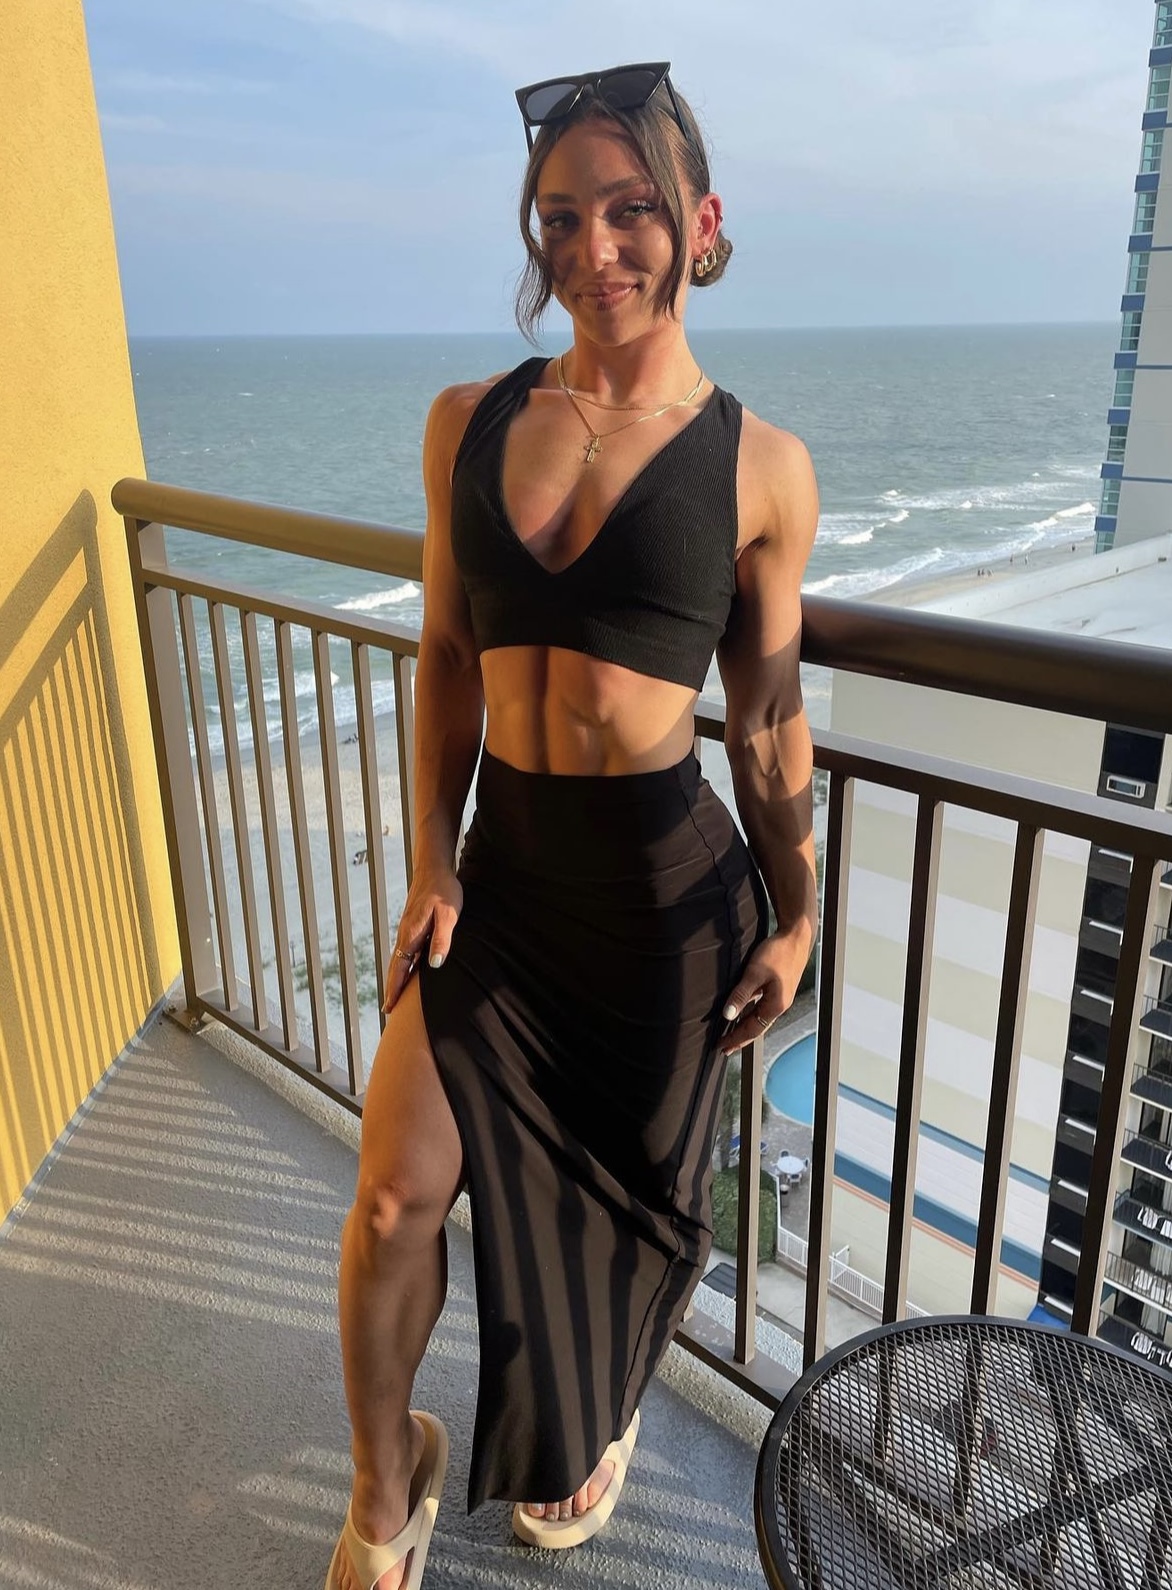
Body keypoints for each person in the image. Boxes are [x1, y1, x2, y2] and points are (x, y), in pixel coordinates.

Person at [325, 61, 819, 1590]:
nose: (593, 248)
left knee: (621, 1211)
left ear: (700, 223)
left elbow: (767, 719)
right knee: (395, 1194)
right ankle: (384, 1487)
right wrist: (430, 858)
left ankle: (588, 1418)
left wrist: (801, 908)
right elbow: (448, 655)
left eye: (629, 211)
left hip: (665, 898)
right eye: (558, 216)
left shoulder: (761, 467)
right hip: (505, 883)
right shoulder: (467, 422)